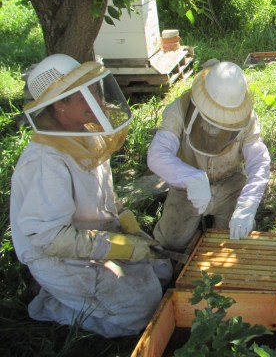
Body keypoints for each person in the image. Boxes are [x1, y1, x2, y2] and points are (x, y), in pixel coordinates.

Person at [10, 54, 172, 338]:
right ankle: (53, 305)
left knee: (162, 270)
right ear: (60, 104)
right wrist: (121, 247)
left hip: (96, 236)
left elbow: (102, 190)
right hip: (56, 256)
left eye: (96, 89)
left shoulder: (86, 133)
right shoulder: (44, 162)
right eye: (87, 94)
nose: (98, 98)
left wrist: (126, 220)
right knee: (142, 311)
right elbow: (49, 238)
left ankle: (81, 295)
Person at [149, 60, 270, 251]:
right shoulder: (179, 109)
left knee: (236, 239)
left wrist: (248, 204)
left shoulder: (246, 118)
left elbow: (259, 160)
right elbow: (157, 154)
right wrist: (190, 178)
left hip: (229, 182)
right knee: (171, 243)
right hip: (186, 188)